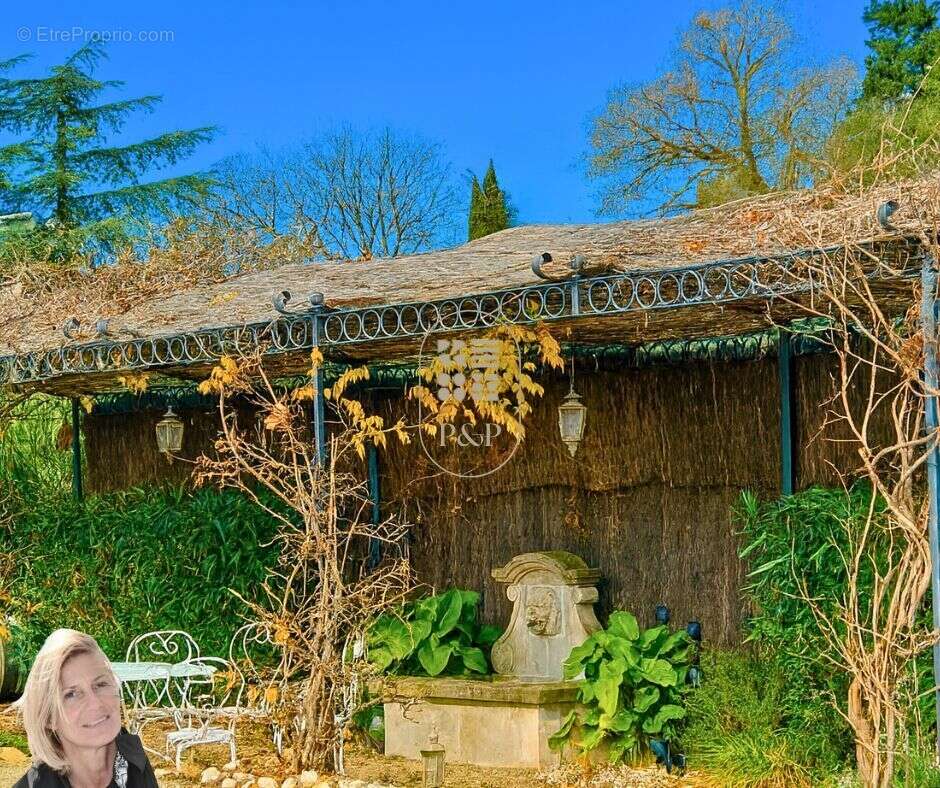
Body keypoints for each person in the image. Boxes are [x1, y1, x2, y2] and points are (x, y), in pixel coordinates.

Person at [13, 629, 159, 787]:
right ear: (49, 717)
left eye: (101, 684)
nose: (95, 703)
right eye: (71, 694)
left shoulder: (133, 761)